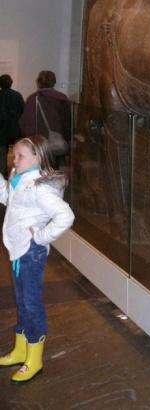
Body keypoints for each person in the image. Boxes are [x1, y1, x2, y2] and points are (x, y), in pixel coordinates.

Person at [0, 135, 74, 384]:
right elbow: (9, 200)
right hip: (19, 250)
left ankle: (35, 358)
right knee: (22, 301)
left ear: (37, 159)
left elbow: (65, 216)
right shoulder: (19, 181)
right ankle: (21, 351)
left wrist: (42, 237)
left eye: (20, 156)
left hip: (30, 253)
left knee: (32, 305)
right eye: (14, 154)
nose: (14, 159)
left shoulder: (39, 188)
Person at [19, 71, 71, 168]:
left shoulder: (32, 98)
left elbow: (25, 122)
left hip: (36, 141)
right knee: (53, 167)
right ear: (53, 82)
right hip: (54, 139)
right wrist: (68, 138)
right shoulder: (61, 97)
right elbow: (67, 120)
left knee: (37, 168)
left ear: (39, 82)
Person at [0, 75, 25, 178]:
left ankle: (1, 174)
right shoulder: (17, 95)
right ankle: (17, 174)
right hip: (15, 128)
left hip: (1, 129)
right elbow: (23, 110)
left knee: (1, 154)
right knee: (18, 153)